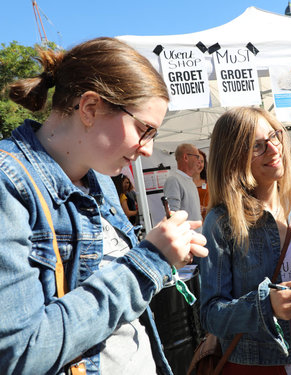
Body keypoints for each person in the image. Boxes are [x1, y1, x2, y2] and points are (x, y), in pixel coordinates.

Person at [0, 37, 208, 375]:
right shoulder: (9, 186)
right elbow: (20, 353)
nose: (146, 149)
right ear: (90, 107)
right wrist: (150, 259)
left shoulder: (101, 182)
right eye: (144, 129)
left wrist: (163, 251)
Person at [199, 107, 291, 374]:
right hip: (255, 366)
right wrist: (266, 305)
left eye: (274, 137)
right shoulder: (222, 222)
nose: (273, 148)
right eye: (257, 146)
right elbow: (211, 315)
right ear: (233, 158)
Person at [163, 143, 202, 228]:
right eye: (197, 157)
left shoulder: (190, 181)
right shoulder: (174, 180)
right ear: (185, 157)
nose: (199, 161)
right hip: (187, 238)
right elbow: (173, 216)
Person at [192, 149, 209, 220]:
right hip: (192, 222)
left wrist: (206, 209)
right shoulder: (184, 183)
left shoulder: (209, 182)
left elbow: (218, 203)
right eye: (197, 161)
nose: (199, 164)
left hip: (208, 221)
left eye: (201, 161)